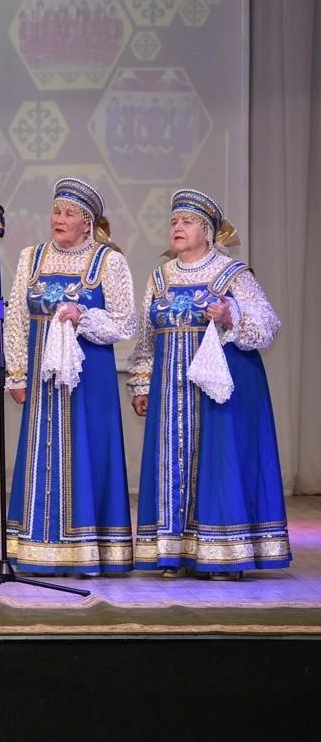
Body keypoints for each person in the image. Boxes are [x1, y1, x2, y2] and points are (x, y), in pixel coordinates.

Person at [127, 189, 290, 579]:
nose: (177, 227)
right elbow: (146, 338)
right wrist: (141, 383)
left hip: (221, 391)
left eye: (186, 221)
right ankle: (175, 552)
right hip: (171, 390)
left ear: (208, 231)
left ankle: (223, 554)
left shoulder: (232, 274)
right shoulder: (159, 278)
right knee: (172, 463)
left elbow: (268, 324)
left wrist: (232, 315)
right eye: (173, 221)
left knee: (219, 463)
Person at [4, 177, 135, 575]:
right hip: (42, 377)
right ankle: (37, 547)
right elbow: (16, 318)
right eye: (56, 211)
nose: (59, 219)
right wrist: (17, 373)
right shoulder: (31, 257)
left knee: (87, 450)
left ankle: (89, 549)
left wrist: (85, 316)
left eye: (69, 214)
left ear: (87, 222)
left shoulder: (109, 261)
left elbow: (125, 322)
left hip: (89, 377)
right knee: (41, 452)